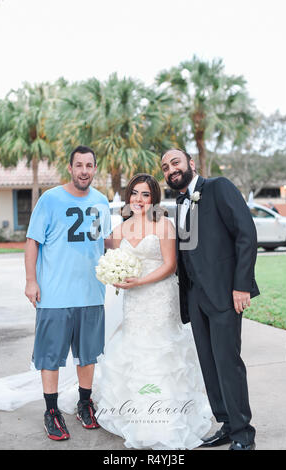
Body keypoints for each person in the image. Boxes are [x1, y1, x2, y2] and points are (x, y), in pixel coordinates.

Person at [93, 173, 212, 450]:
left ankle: (165, 421)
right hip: (133, 303)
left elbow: (170, 265)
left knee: (159, 353)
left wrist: (139, 281)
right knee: (135, 351)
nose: (139, 200)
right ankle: (135, 415)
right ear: (128, 197)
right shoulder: (120, 229)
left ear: (154, 198)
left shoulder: (164, 226)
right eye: (134, 193)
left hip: (159, 298)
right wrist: (114, 276)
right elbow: (108, 256)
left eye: (145, 194)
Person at [161, 148, 259, 451]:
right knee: (209, 364)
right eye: (165, 167)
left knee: (228, 363)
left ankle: (244, 434)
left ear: (191, 163)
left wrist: (241, 286)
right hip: (195, 297)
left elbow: (246, 234)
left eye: (175, 162)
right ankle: (227, 425)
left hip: (225, 294)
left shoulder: (218, 188)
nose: (170, 169)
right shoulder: (180, 202)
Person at [24, 145, 111, 441]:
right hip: (55, 295)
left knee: (87, 356)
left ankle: (84, 403)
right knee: (51, 356)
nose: (84, 170)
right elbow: (32, 242)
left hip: (91, 293)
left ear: (95, 168)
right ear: (70, 168)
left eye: (89, 165)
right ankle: (51, 411)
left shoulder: (101, 201)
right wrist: (31, 281)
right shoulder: (50, 199)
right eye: (79, 165)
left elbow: (105, 242)